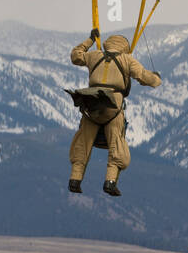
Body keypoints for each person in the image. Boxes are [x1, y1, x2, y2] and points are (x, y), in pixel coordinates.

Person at [67, 32, 161, 197]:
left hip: (91, 104)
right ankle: (110, 182)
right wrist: (156, 79)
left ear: (107, 44)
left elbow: (75, 56)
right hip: (113, 107)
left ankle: (75, 179)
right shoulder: (127, 59)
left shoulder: (95, 55)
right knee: (116, 143)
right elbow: (145, 78)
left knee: (83, 141)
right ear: (124, 47)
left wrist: (90, 40)